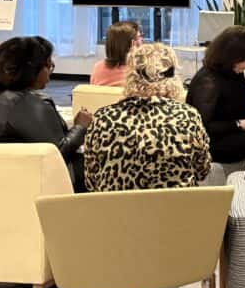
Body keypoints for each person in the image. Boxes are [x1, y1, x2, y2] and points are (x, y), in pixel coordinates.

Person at [0, 36, 92, 191]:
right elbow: (57, 154)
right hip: (32, 182)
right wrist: (80, 126)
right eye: (48, 65)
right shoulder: (29, 104)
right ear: (32, 69)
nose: (49, 72)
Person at [83, 43, 210, 192]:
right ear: (173, 78)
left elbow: (91, 181)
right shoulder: (188, 117)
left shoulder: (103, 119)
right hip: (174, 205)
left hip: (117, 206)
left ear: (130, 76)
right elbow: (202, 171)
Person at [186, 25, 245, 166]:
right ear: (232, 57)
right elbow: (202, 126)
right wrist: (238, 124)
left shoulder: (234, 73)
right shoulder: (208, 81)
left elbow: (240, 109)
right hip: (211, 143)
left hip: (231, 133)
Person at [89, 21, 142, 87]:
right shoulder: (139, 70)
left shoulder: (98, 68)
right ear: (132, 44)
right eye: (139, 37)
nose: (141, 40)